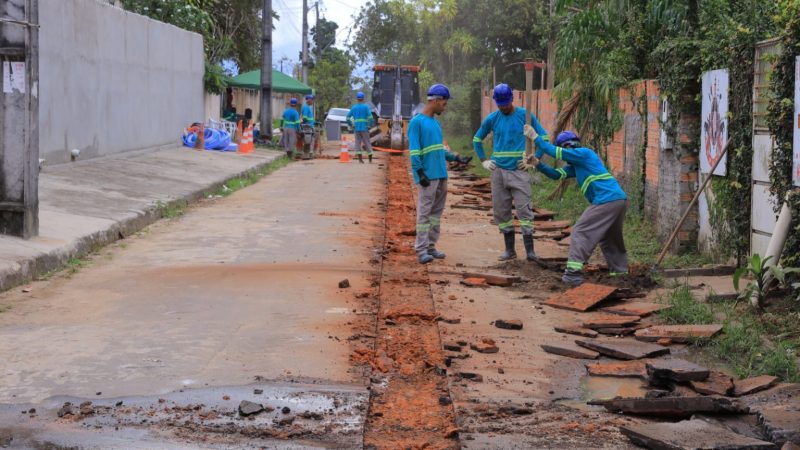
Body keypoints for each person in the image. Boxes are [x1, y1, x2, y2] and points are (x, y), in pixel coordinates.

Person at [525, 126, 629, 286]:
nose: (568, 150)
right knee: (610, 238)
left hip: (606, 200)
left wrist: (535, 137)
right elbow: (556, 175)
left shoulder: (584, 154)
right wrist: (538, 164)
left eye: (567, 147)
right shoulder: (577, 164)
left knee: (581, 231)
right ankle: (620, 273)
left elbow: (553, 151)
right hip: (618, 200)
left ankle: (573, 274)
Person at [472, 83, 547, 266]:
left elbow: (543, 138)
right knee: (501, 211)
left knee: (524, 209)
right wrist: (483, 160)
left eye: (506, 103)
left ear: (512, 99)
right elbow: (476, 139)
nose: (503, 107)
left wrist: (534, 158)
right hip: (498, 172)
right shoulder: (493, 118)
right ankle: (509, 250)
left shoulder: (525, 116)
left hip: (519, 171)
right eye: (500, 104)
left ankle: (530, 251)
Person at [409, 84, 472, 264]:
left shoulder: (435, 124)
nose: (445, 106)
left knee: (436, 213)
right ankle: (421, 249)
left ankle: (431, 246)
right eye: (444, 103)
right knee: (424, 213)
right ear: (436, 101)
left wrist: (456, 157)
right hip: (428, 176)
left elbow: (439, 150)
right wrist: (420, 173)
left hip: (441, 174)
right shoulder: (417, 122)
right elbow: (414, 151)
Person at [346, 92, 375, 163]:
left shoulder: (354, 107)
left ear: (357, 99)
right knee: (367, 142)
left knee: (357, 143)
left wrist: (351, 124)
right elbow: (371, 118)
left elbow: (347, 117)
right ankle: (370, 160)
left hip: (356, 128)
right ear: (363, 98)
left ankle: (360, 160)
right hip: (364, 127)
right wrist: (370, 125)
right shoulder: (366, 107)